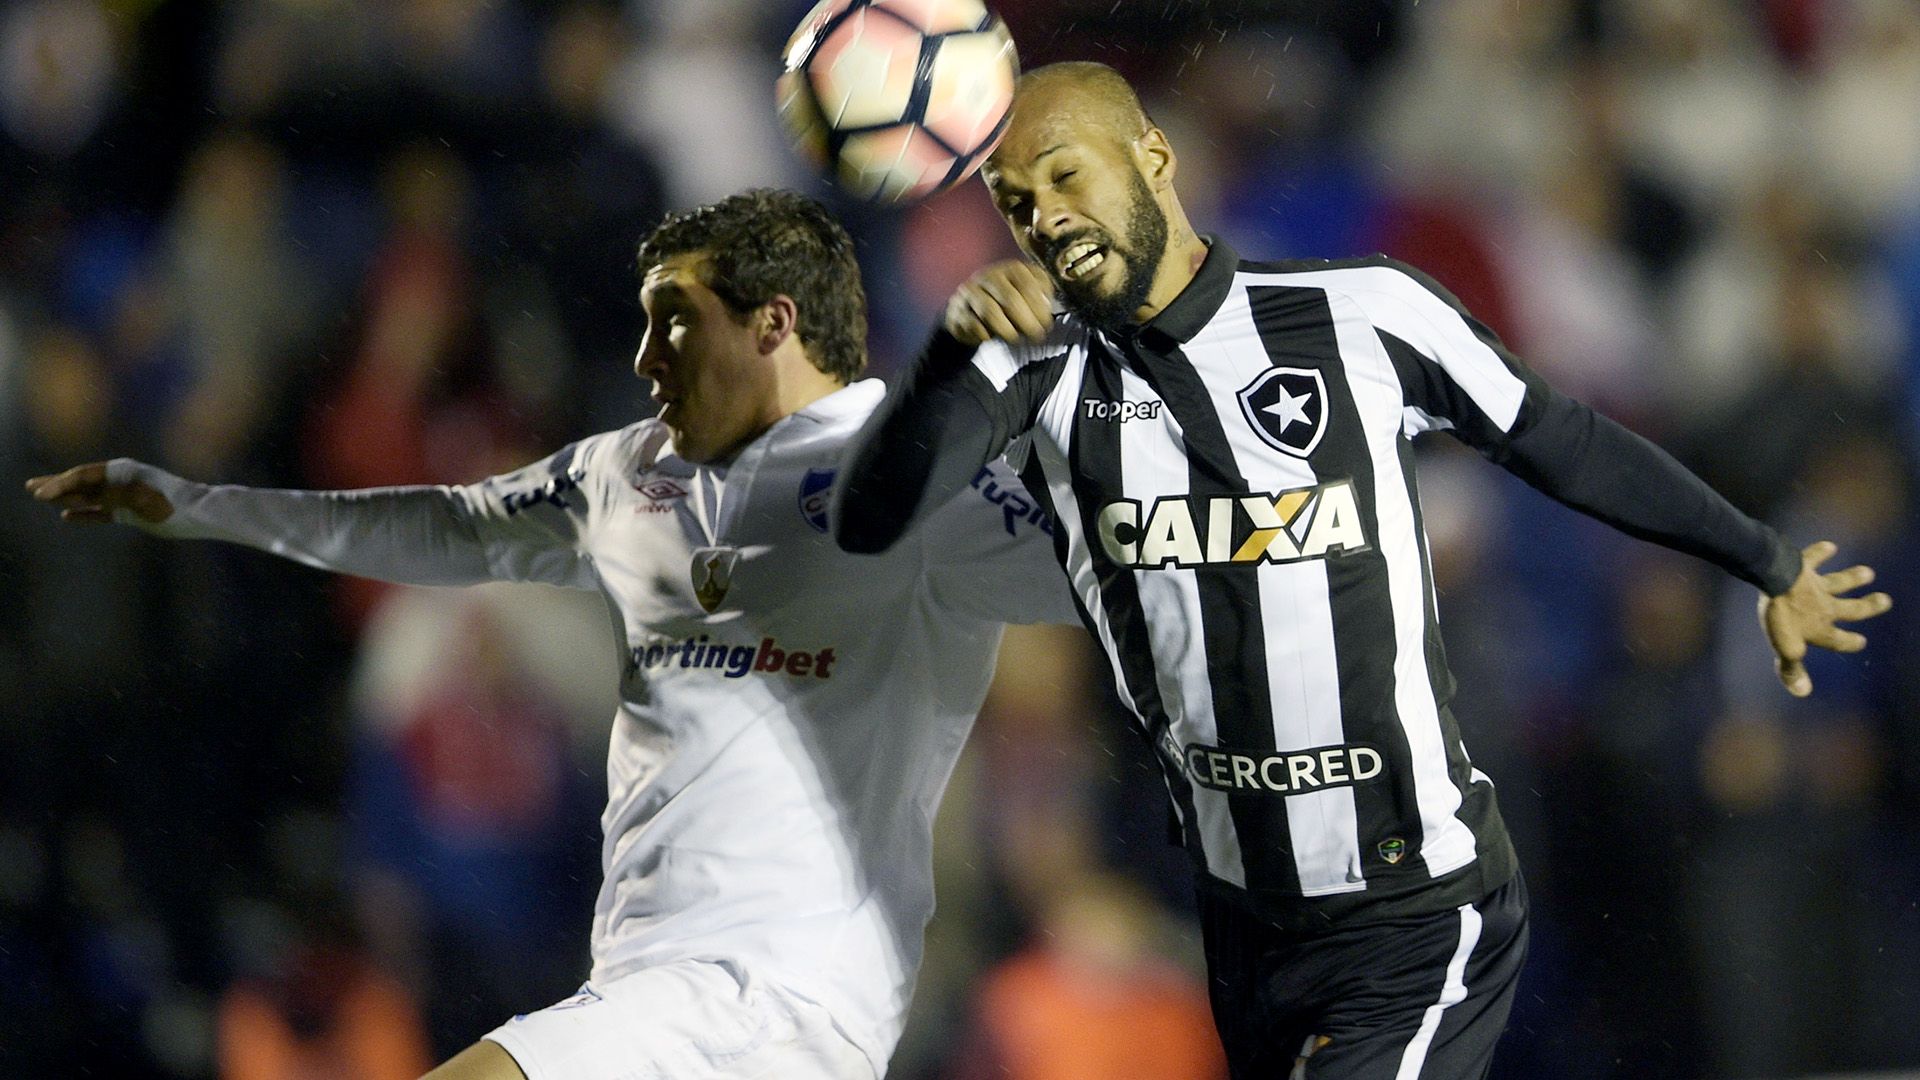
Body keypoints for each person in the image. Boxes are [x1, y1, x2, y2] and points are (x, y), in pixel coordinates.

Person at [832, 62, 1894, 1079]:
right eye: (1018, 202)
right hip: (1246, 924)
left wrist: (1764, 559)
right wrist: (942, 358)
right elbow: (871, 521)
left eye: (1067, 173)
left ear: (1154, 157)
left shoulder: (1361, 313)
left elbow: (1563, 439)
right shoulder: (1035, 370)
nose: (1047, 214)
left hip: (1419, 909)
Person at [28, 188, 1076, 1080]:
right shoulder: (629, 477)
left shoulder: (930, 492)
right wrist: (202, 505)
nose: (643, 358)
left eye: (674, 323)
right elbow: (436, 526)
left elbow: (1140, 572)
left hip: (778, 1006)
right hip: (640, 989)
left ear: (773, 327)